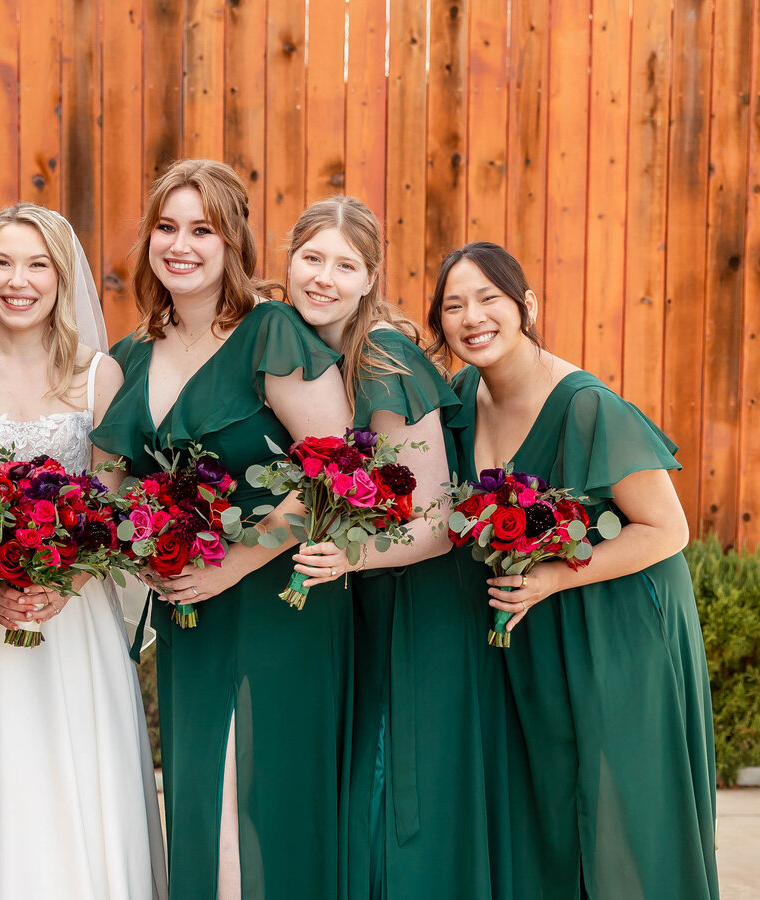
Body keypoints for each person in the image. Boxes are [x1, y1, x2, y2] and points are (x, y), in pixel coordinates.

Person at [90, 160, 353, 900]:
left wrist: (233, 564)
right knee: (203, 798)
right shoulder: (130, 354)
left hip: (278, 604)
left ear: (232, 240)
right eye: (167, 228)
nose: (182, 245)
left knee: (262, 806)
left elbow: (336, 476)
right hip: (188, 608)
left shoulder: (272, 334)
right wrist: (134, 548)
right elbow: (108, 487)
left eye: (202, 229)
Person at [432, 241, 718, 899]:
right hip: (535, 622)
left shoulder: (587, 406)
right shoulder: (461, 393)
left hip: (617, 625)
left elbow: (667, 530)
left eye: (488, 299)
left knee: (623, 813)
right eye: (453, 306)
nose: (472, 317)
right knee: (547, 811)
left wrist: (557, 576)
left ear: (526, 306)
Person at [0, 203, 166, 900]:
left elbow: (107, 504)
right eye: (3, 263)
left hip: (68, 619)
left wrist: (59, 587)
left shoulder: (97, 374)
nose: (18, 281)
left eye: (37, 264)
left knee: (67, 784)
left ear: (61, 275)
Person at [284, 197, 511, 899]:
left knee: (397, 779)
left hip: (419, 596)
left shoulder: (386, 359)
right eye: (311, 259)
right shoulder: (292, 345)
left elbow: (438, 519)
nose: (324, 278)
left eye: (344, 264)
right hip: (362, 597)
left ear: (369, 277)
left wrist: (345, 557)